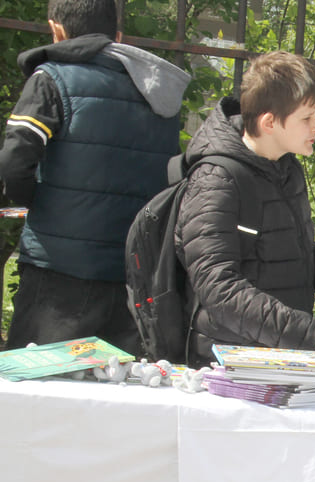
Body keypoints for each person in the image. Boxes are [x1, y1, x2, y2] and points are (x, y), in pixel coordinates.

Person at [0, 0, 188, 353]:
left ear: (56, 30)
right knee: (113, 397)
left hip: (59, 270)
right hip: (132, 275)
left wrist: (41, 204)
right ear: (117, 36)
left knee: (35, 391)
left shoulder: (51, 78)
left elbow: (13, 164)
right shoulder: (157, 92)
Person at [176, 51, 315, 365]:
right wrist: (303, 334)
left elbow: (278, 254)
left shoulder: (286, 169)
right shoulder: (216, 179)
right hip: (230, 366)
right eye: (307, 117)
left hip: (277, 360)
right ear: (269, 121)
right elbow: (218, 288)